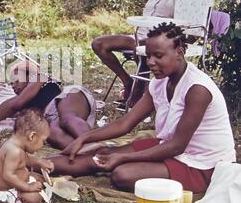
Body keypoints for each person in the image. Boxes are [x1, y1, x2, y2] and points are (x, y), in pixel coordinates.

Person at [48, 23, 236, 193]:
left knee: (123, 175)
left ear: (179, 52)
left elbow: (178, 145)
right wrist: (84, 138)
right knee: (101, 156)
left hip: (203, 165)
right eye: (148, 56)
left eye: (158, 56)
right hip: (169, 147)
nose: (150, 62)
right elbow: (125, 123)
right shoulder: (160, 83)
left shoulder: (197, 89)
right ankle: (32, 165)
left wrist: (125, 158)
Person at [92, 0, 192, 107]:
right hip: (139, 35)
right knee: (99, 44)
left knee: (143, 50)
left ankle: (137, 97)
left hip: (160, 39)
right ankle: (128, 81)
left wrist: (164, 39)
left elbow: (184, 26)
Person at [0, 61, 97, 149]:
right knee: (53, 133)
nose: (13, 86)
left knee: (68, 118)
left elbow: (15, 104)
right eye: (11, 84)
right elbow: (10, 107)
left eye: (17, 81)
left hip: (67, 99)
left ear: (29, 76)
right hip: (55, 116)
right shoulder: (27, 100)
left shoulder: (39, 78)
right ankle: (90, 152)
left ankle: (96, 144)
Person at [0, 109, 54, 203]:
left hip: (15, 182)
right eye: (43, 142)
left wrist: (40, 162)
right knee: (35, 199)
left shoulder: (15, 145)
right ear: (32, 136)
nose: (42, 146)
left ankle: (46, 182)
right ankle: (20, 199)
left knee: (37, 177)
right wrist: (27, 187)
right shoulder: (14, 151)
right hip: (7, 190)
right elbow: (8, 176)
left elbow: (24, 160)